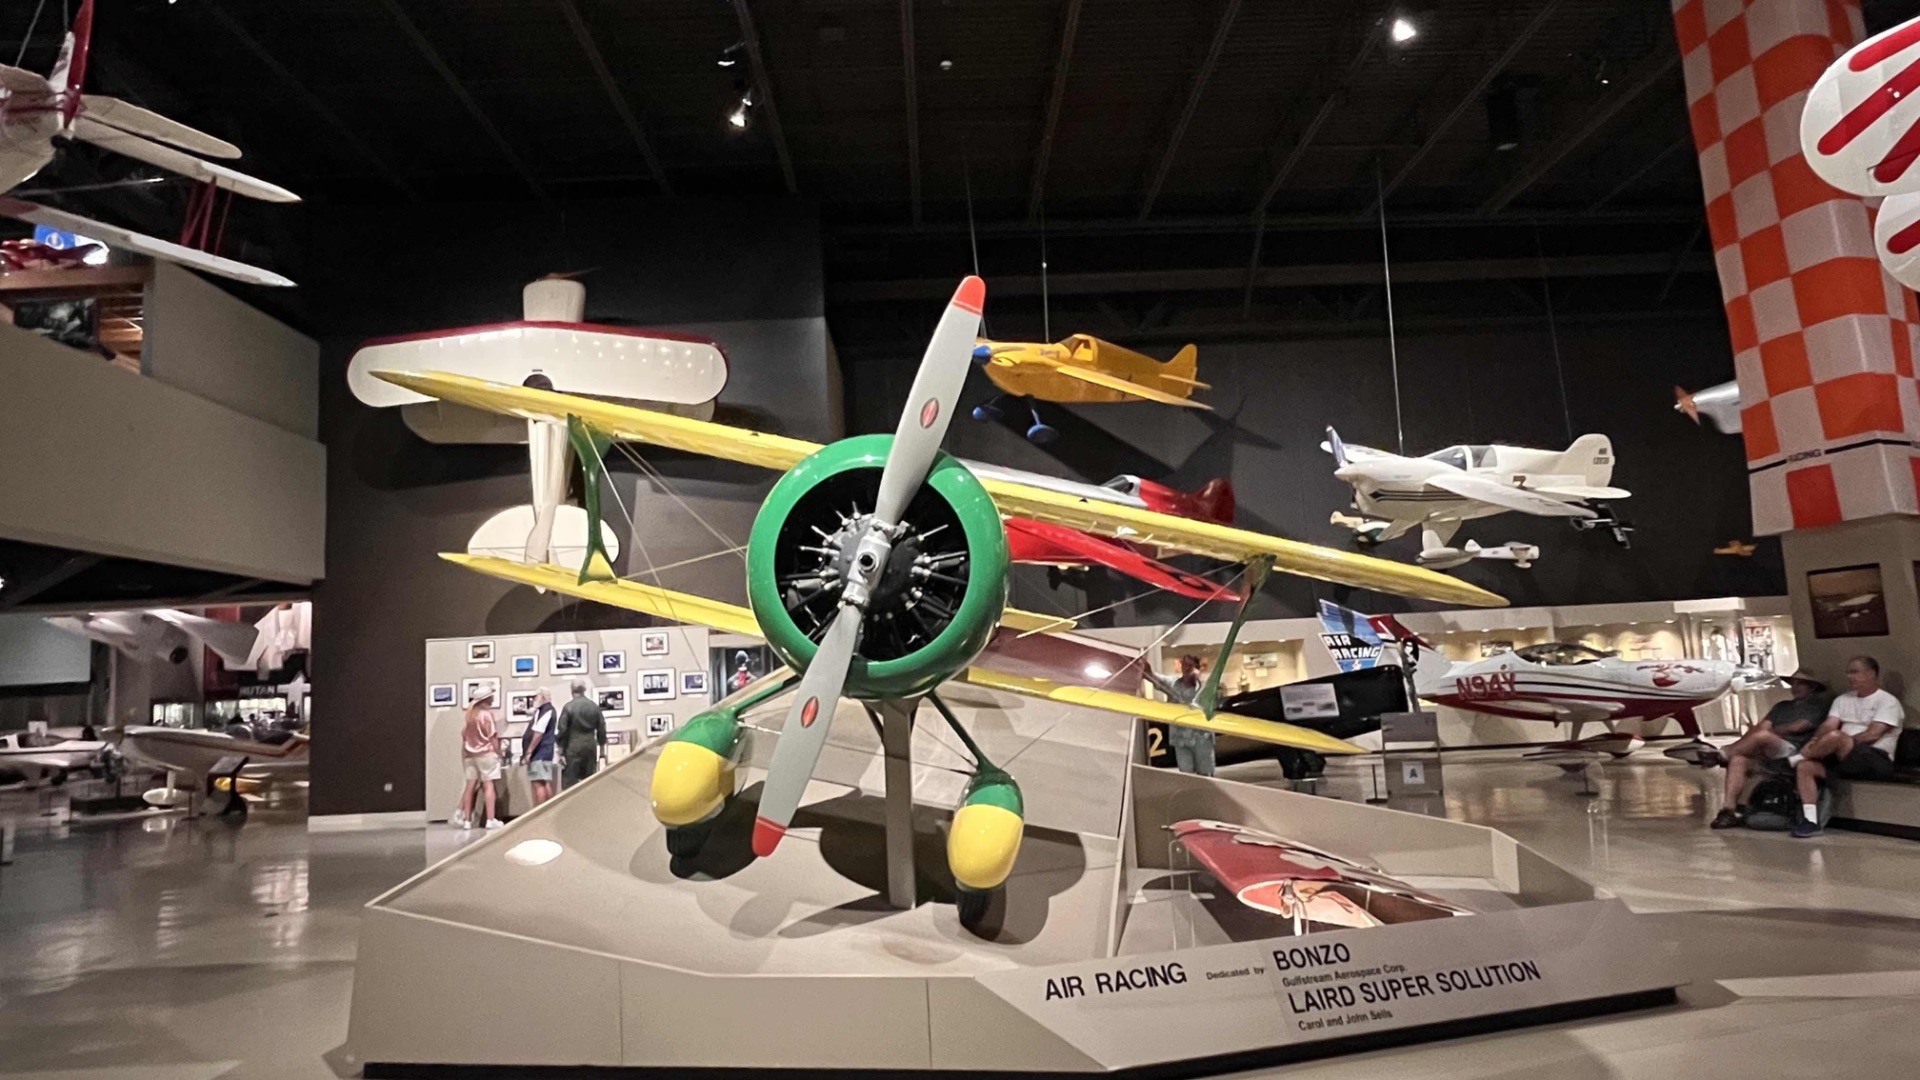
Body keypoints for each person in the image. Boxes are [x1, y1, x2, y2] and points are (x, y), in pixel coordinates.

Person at [1788, 656, 1904, 838]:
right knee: (1806, 767)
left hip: (1876, 759)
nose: (1850, 676)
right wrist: (1816, 740)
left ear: (1871, 674)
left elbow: (1872, 735)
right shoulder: (1842, 700)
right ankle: (1811, 821)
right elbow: (1828, 725)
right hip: (1843, 758)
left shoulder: (1888, 702)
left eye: (1855, 672)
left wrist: (1840, 741)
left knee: (1836, 737)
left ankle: (1800, 757)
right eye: (1848, 672)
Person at [1710, 670, 1832, 829]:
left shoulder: (1817, 706)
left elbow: (1799, 726)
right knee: (1739, 759)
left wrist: (1773, 731)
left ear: (1812, 687)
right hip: (1770, 752)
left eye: (1801, 683)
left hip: (1795, 751)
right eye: (1793, 683)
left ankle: (1722, 754)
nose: (1795, 687)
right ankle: (1728, 809)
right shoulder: (1781, 706)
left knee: (1763, 736)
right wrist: (1761, 735)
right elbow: (1762, 727)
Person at [1145, 654, 1214, 777]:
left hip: (1202, 737)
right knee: (1186, 775)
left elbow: (1212, 701)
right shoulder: (1173, 684)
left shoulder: (1204, 687)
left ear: (1196, 668)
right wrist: (1145, 668)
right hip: (1180, 738)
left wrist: (1197, 680)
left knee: (1205, 775)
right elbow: (1154, 678)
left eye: (1190, 665)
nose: (1186, 668)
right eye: (1184, 665)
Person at [455, 693, 504, 830]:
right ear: (486, 699)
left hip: (470, 755)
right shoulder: (486, 715)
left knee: (470, 786)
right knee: (489, 785)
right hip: (486, 754)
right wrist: (499, 752)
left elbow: (464, 735)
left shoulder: (470, 715)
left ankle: (467, 820)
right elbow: (492, 737)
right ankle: (490, 819)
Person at [555, 680, 607, 790]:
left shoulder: (568, 707)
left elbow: (563, 730)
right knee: (589, 782)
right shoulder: (594, 707)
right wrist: (602, 752)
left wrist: (560, 750)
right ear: (584, 690)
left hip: (573, 747)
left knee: (570, 782)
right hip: (590, 746)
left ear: (571, 690)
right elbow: (601, 729)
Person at [522, 688, 558, 806]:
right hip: (545, 752)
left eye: (536, 697)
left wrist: (529, 751)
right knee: (544, 782)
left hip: (540, 752)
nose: (534, 700)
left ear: (542, 697)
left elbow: (538, 733)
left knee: (538, 783)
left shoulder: (546, 711)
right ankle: (548, 810)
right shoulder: (545, 710)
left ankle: (541, 812)